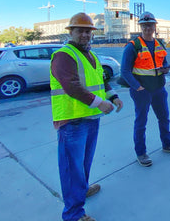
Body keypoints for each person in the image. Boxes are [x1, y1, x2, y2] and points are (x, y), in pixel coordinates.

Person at [51, 13, 123, 221]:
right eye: (80, 30)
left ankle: (82, 190)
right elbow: (72, 87)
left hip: (91, 118)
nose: (85, 34)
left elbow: (102, 82)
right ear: (71, 32)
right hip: (72, 121)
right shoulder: (64, 55)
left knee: (84, 163)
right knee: (72, 168)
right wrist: (100, 103)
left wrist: (114, 97)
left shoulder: (91, 55)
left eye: (88, 31)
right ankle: (73, 214)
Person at [121, 11, 170, 167]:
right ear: (141, 26)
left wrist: (165, 69)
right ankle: (141, 153)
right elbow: (125, 71)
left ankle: (167, 144)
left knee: (164, 118)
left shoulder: (159, 44)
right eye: (145, 25)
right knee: (141, 122)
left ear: (155, 26)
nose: (148, 28)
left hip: (159, 88)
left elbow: (163, 62)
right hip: (142, 91)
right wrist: (138, 87)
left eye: (151, 25)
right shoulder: (133, 46)